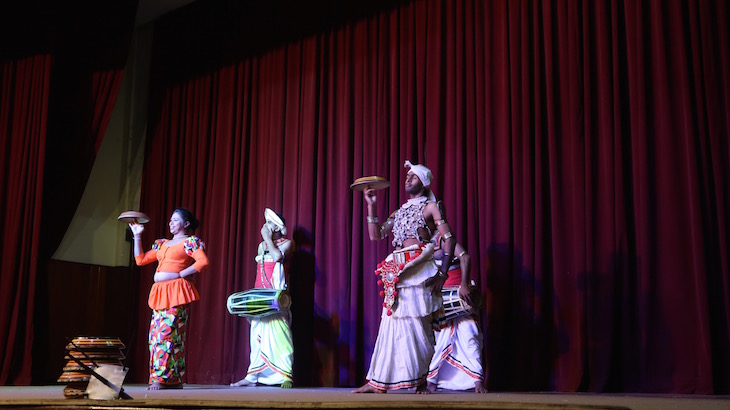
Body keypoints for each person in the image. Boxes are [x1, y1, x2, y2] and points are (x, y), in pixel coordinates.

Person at [354, 160, 457, 394]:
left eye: (413, 176)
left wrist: (442, 274)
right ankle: (378, 381)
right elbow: (376, 235)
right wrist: (371, 206)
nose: (408, 179)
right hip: (397, 270)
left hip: (419, 269)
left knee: (418, 326)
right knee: (390, 325)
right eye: (407, 176)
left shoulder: (431, 207)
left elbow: (449, 239)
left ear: (424, 182)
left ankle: (420, 381)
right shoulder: (399, 211)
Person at [129, 208, 209, 390]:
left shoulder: (189, 242)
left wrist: (181, 274)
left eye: (175, 220)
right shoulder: (162, 244)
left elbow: (203, 261)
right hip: (160, 292)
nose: (171, 223)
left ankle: (161, 379)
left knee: (168, 335)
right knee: (156, 336)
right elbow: (140, 260)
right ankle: (173, 379)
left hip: (176, 292)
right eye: (170, 220)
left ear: (186, 224)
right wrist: (137, 236)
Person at [231, 208, 294, 388]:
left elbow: (277, 257)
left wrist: (267, 238)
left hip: (276, 294)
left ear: (278, 227)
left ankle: (285, 375)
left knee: (280, 334)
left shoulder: (287, 243)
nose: (265, 226)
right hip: (260, 292)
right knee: (257, 334)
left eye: (270, 223)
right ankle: (252, 376)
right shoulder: (262, 246)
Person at [427, 235, 486, 393]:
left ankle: (477, 380)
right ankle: (432, 380)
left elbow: (465, 257)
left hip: (459, 293)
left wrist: (464, 285)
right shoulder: (421, 239)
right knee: (439, 340)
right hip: (440, 297)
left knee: (469, 335)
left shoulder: (442, 238)